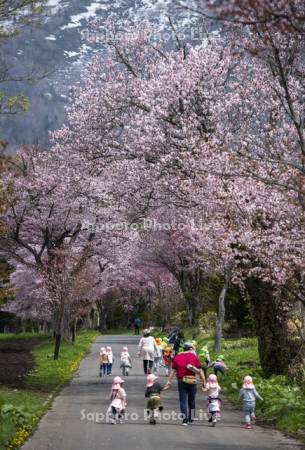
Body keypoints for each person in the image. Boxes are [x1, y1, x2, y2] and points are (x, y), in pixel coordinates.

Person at [164, 342, 206, 425]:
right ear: (190, 349)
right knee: (192, 400)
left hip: (182, 380)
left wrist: (169, 381)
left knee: (183, 400)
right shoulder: (194, 357)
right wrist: (204, 381)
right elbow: (200, 370)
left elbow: (173, 371)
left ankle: (184, 420)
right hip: (192, 380)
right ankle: (191, 418)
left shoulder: (177, 357)